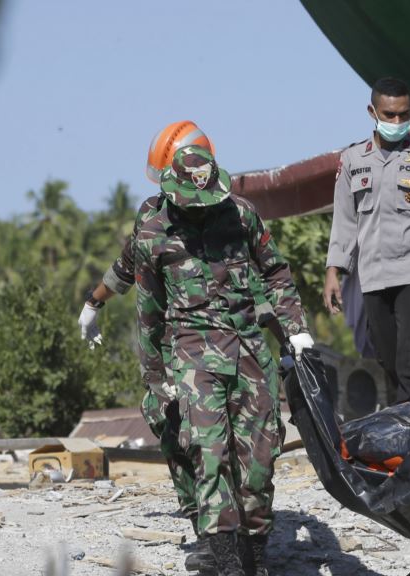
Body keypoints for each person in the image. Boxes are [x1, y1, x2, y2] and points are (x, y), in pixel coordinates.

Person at [77, 120, 277, 573]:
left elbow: (268, 271)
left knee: (247, 450)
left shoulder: (235, 214)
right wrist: (94, 303)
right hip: (176, 346)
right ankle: (209, 534)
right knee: (188, 441)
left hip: (233, 342)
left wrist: (283, 328)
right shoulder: (153, 221)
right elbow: (128, 271)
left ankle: (240, 542)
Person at [134, 145, 314, 575]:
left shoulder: (242, 214)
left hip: (249, 347)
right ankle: (228, 562)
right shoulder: (153, 233)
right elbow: (149, 314)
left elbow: (275, 271)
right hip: (192, 351)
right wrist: (157, 381)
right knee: (209, 455)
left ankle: (255, 552)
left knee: (260, 456)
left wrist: (296, 327)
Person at [324, 76, 410, 403]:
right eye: (389, 115)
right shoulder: (352, 160)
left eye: (404, 115)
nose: (397, 122)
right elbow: (344, 220)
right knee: (386, 359)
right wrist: (333, 272)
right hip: (372, 276)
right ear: (372, 112)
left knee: (409, 362)